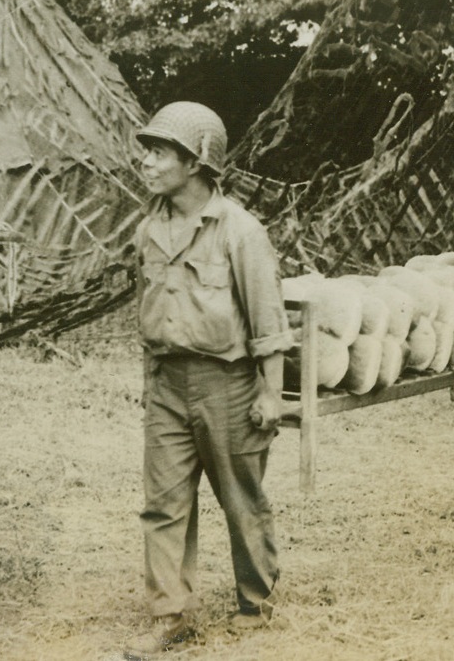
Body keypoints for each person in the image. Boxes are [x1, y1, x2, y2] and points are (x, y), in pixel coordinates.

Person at [124, 102, 291, 660]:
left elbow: (268, 321)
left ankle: (256, 599)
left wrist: (271, 391)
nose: (145, 162)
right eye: (147, 151)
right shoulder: (149, 229)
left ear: (194, 163)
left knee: (241, 499)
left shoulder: (239, 232)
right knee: (163, 503)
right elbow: (147, 310)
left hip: (228, 385)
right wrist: (151, 383)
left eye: (159, 152)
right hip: (168, 384)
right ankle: (170, 615)